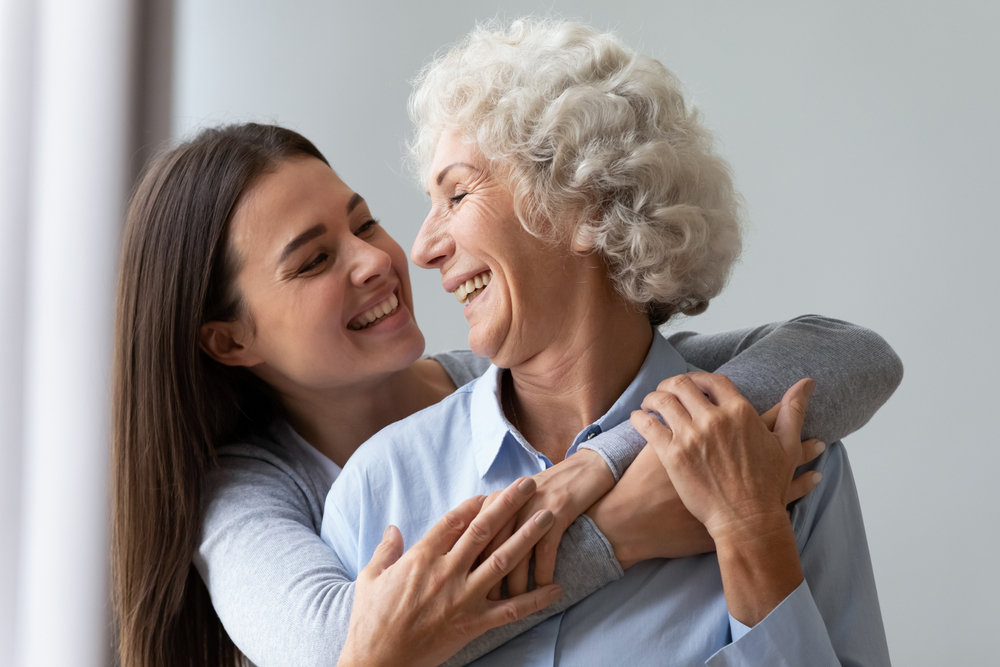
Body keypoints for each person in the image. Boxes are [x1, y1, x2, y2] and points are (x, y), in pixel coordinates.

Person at [110, 120, 900, 667]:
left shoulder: (566, 391)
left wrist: (605, 464)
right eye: (313, 261)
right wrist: (618, 529)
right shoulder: (271, 492)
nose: (388, 258)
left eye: (365, 222)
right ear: (230, 339)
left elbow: (840, 354)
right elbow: (342, 652)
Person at [322, 19, 896, 666]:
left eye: (456, 194)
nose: (423, 248)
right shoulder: (380, 488)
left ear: (586, 207)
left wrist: (750, 535)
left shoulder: (778, 451)